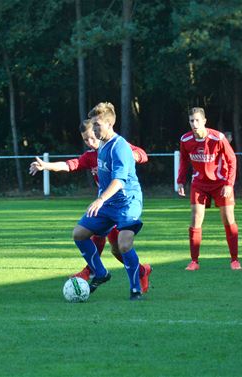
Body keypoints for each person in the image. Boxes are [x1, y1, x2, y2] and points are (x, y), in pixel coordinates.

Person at [29, 119, 152, 293]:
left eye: (92, 137)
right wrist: (46, 166)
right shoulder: (91, 155)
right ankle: (97, 272)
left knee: (119, 249)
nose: (90, 142)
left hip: (123, 204)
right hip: (105, 205)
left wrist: (132, 157)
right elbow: (70, 165)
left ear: (98, 130)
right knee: (90, 236)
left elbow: (142, 155)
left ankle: (138, 272)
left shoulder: (117, 146)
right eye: (86, 139)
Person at [72, 102, 149, 300]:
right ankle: (100, 273)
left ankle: (135, 289)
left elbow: (119, 180)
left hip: (127, 202)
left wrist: (100, 199)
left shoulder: (119, 146)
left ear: (109, 124)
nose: (94, 129)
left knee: (123, 245)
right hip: (109, 204)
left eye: (97, 125)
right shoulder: (102, 145)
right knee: (79, 234)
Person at [176, 107, 241, 270]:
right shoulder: (185, 140)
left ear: (204, 121)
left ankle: (234, 260)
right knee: (196, 217)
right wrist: (181, 181)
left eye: (198, 120)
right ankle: (194, 261)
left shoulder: (217, 138)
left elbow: (232, 159)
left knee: (228, 218)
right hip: (199, 183)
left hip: (220, 183)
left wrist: (229, 184)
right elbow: (184, 161)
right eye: (192, 120)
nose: (194, 124)